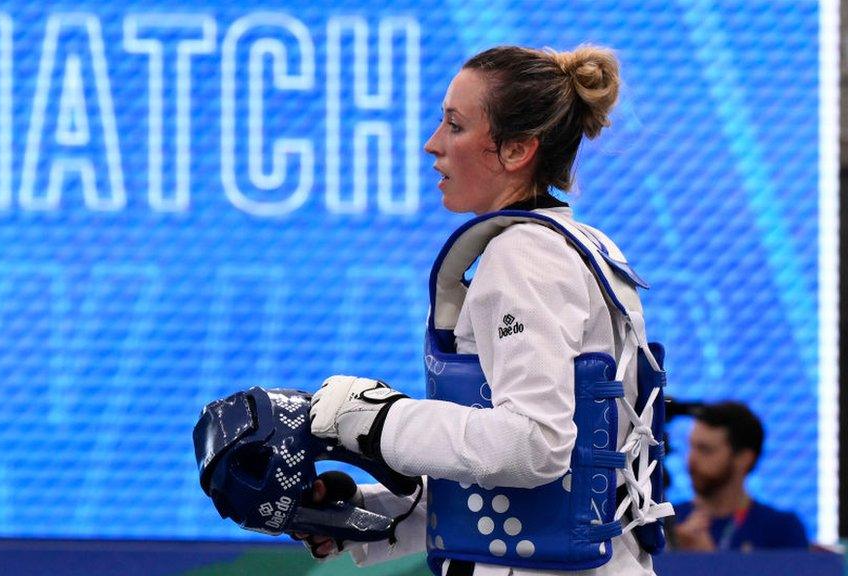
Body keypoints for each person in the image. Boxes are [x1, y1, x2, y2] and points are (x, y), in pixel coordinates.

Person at [303, 44, 673, 576]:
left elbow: (536, 444)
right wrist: (371, 514)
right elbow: (562, 481)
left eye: (455, 125)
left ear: (516, 149)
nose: (433, 145)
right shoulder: (579, 244)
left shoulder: (522, 254)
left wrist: (379, 418)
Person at [670, 401, 808, 551]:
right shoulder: (664, 524)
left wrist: (707, 563)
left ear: (744, 458)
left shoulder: (781, 531)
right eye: (691, 447)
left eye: (705, 450)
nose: (691, 460)